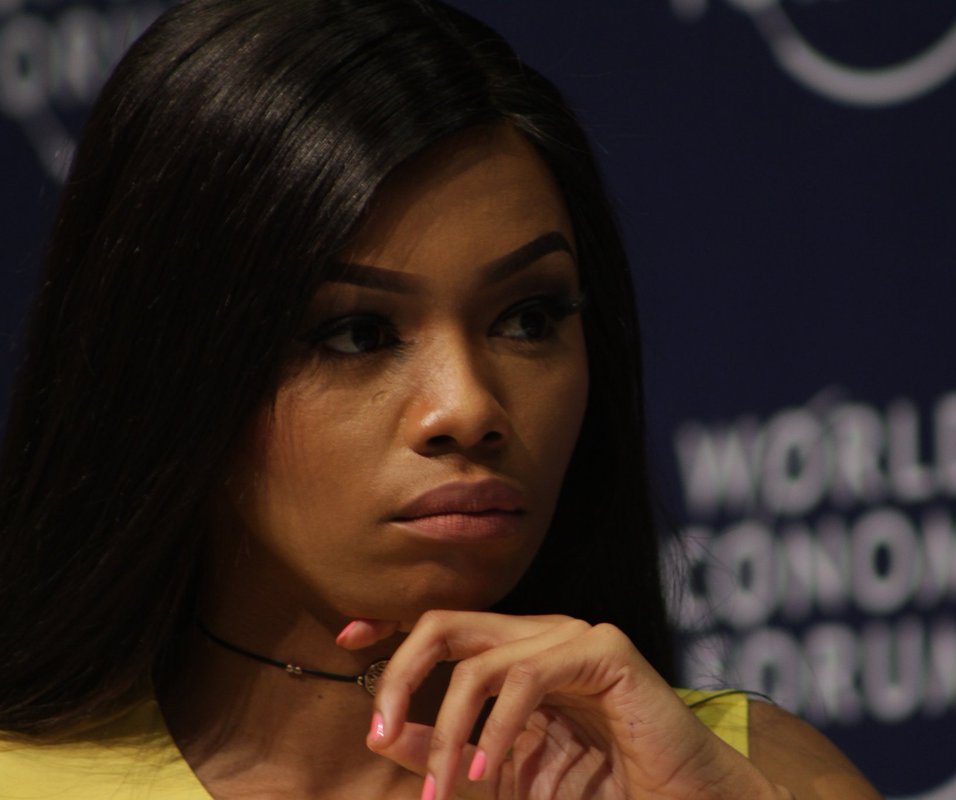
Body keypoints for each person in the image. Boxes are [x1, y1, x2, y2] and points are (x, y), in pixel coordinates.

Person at [0, 1, 880, 798]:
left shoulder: (751, 778)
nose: (468, 408)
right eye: (356, 333)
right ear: (167, 363)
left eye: (528, 319)